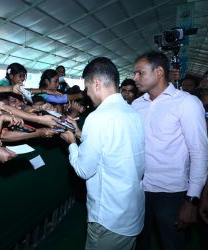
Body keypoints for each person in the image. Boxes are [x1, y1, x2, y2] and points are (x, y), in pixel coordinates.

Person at [60, 57, 145, 250]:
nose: (87, 94)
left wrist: (72, 143)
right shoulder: (133, 113)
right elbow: (113, 148)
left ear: (97, 84)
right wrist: (81, 134)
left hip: (110, 217)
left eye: (87, 88)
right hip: (132, 212)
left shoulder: (98, 117)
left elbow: (83, 169)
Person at [132, 51, 208, 250]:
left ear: (158, 72)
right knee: (139, 244)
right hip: (139, 190)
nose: (135, 78)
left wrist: (192, 200)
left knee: (172, 245)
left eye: (140, 73)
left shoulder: (187, 103)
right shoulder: (136, 105)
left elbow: (199, 153)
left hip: (172, 194)